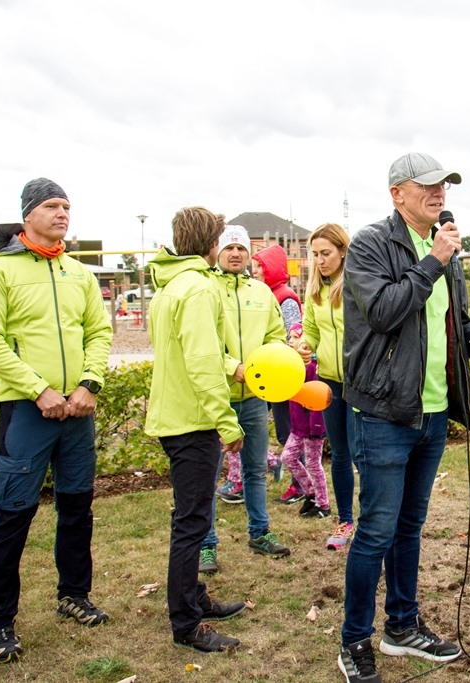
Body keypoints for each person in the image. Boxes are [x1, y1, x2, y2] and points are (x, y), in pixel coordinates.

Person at [337, 152, 470, 683]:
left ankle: (402, 628)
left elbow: (456, 325)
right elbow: (384, 311)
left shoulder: (446, 249)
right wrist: (432, 259)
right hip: (386, 412)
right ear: (396, 194)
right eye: (427, 185)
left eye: (444, 185)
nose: (439, 193)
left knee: (410, 526)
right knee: (376, 531)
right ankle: (354, 641)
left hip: (432, 412)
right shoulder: (370, 244)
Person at [0, 179, 113, 663]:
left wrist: (88, 384)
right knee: (14, 516)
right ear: (27, 214)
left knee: (77, 509)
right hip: (27, 413)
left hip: (77, 412)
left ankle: (73, 594)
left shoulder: (79, 274)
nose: (62, 214)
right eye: (52, 206)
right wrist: (39, 389)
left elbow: (98, 331)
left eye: (67, 206)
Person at [145, 207, 249, 653]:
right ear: (211, 244)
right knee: (191, 524)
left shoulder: (170, 285)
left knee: (192, 517)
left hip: (176, 417)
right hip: (192, 421)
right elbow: (203, 363)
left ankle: (195, 599)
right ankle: (186, 624)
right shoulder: (198, 288)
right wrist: (227, 422)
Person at [199, 225, 292, 577]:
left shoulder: (262, 293)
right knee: (208, 475)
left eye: (241, 248)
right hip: (216, 396)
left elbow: (275, 336)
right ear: (217, 252)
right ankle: (206, 545)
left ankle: (260, 533)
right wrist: (231, 366)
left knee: (255, 469)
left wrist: (269, 363)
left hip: (254, 396)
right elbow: (203, 343)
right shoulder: (206, 290)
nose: (235, 253)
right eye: (228, 248)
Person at [297, 222, 356, 550]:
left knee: (365, 455)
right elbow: (311, 330)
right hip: (330, 384)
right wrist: (305, 344)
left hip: (362, 384)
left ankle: (378, 519)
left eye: (326, 253)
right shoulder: (315, 290)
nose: (320, 260)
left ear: (343, 251)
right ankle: (345, 521)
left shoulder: (357, 283)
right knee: (342, 454)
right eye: (315, 254)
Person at [252, 243, 305, 498]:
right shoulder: (264, 294)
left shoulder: (285, 297)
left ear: (270, 269)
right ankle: (272, 465)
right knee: (255, 426)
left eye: (258, 268)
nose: (254, 273)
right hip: (267, 372)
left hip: (282, 374)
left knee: (288, 430)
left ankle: (301, 482)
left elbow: (293, 334)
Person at [282, 323, 330, 518]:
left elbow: (317, 398)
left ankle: (323, 504)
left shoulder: (312, 368)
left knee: (313, 464)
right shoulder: (294, 365)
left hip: (312, 428)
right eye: (290, 337)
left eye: (295, 337)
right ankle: (310, 492)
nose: (290, 340)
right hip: (298, 426)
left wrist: (317, 427)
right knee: (287, 457)